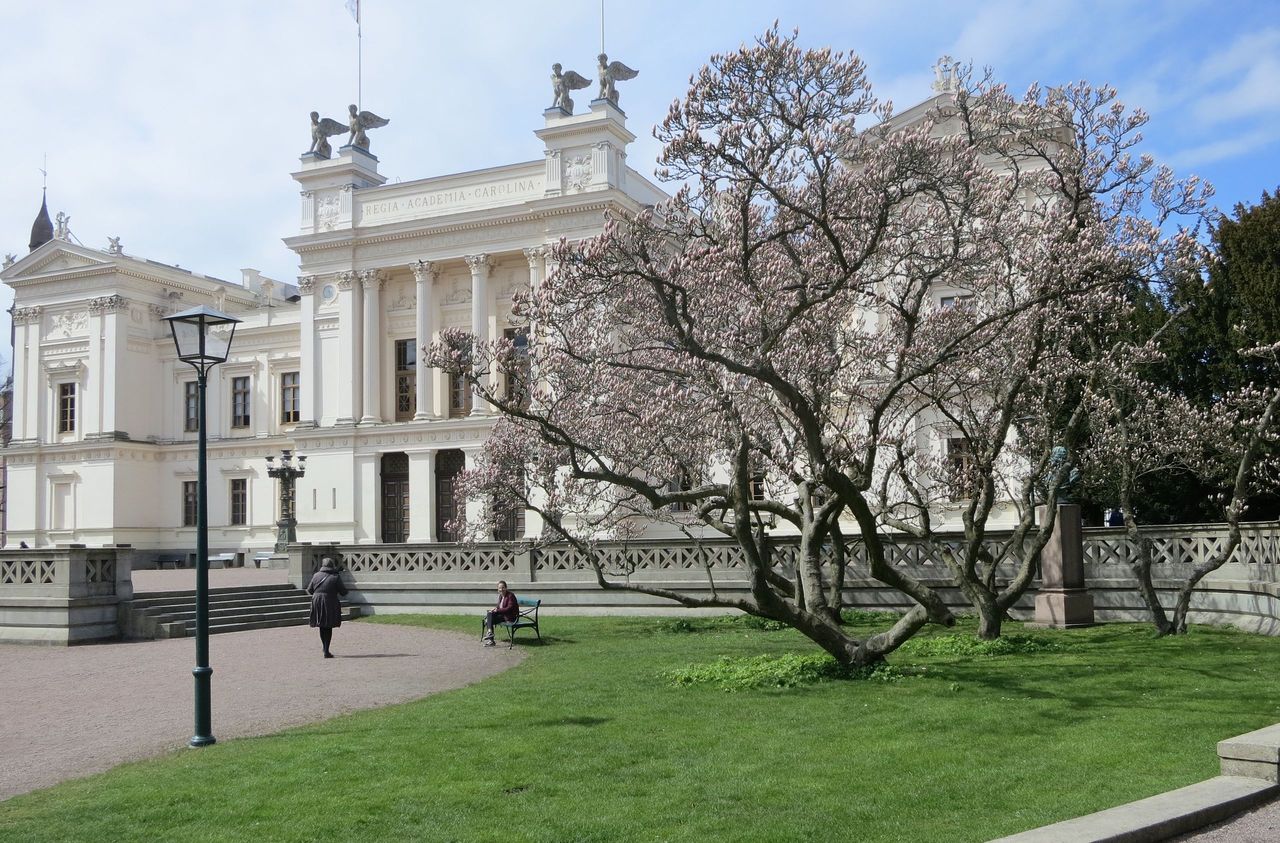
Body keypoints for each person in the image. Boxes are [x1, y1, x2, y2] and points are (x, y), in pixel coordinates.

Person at [306, 557, 348, 658]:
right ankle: (326, 650)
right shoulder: (335, 577)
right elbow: (343, 592)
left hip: (317, 600)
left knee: (321, 625)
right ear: (332, 565)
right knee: (328, 626)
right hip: (329, 601)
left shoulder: (316, 575)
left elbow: (309, 590)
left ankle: (325, 648)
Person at [481, 580, 519, 647]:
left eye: (503, 587)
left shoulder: (510, 595)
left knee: (489, 620)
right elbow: (499, 606)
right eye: (499, 588)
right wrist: (495, 609)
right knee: (490, 614)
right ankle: (490, 635)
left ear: (506, 588)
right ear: (498, 589)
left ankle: (490, 638)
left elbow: (509, 608)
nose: (501, 589)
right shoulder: (501, 596)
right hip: (503, 616)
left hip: (510, 617)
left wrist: (497, 610)